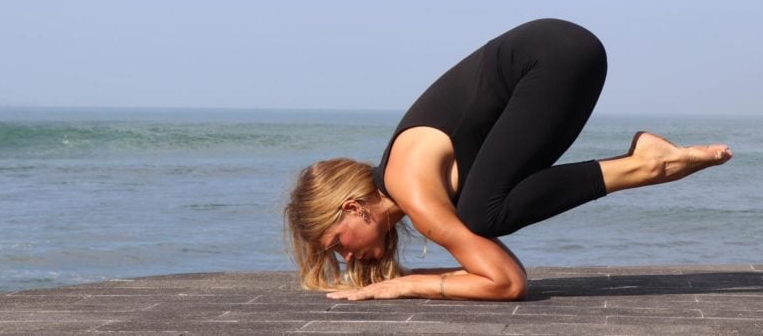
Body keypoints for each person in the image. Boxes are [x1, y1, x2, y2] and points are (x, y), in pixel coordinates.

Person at [285, 19, 732, 301]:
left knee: (482, 213)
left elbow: (506, 282)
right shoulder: (407, 179)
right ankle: (645, 160)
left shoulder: (412, 191)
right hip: (564, 51)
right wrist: (422, 275)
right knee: (482, 207)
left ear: (352, 208)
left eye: (337, 243)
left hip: (552, 60)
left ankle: (645, 163)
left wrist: (406, 284)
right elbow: (485, 268)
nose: (346, 256)